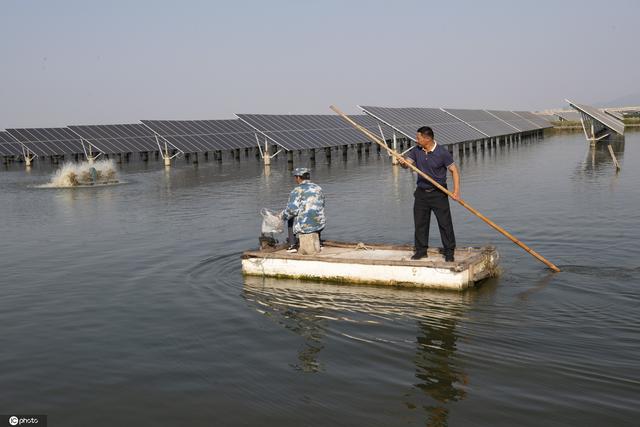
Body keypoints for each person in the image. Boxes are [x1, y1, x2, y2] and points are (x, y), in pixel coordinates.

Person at [401, 126, 460, 262]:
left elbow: (454, 170)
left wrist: (456, 191)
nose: (416, 140)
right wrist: (402, 163)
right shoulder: (417, 150)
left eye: (418, 138)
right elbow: (408, 164)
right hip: (421, 192)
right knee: (420, 223)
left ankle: (449, 252)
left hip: (439, 193)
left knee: (445, 224)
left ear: (427, 139)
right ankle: (421, 251)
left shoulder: (442, 152)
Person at [281, 167, 326, 254]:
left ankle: (292, 245)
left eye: (295, 177)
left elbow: (291, 211)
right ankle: (319, 242)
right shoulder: (318, 188)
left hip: (305, 226)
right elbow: (322, 204)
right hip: (320, 224)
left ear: (298, 177)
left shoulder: (296, 191)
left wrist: (282, 216)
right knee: (314, 213)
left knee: (290, 218)